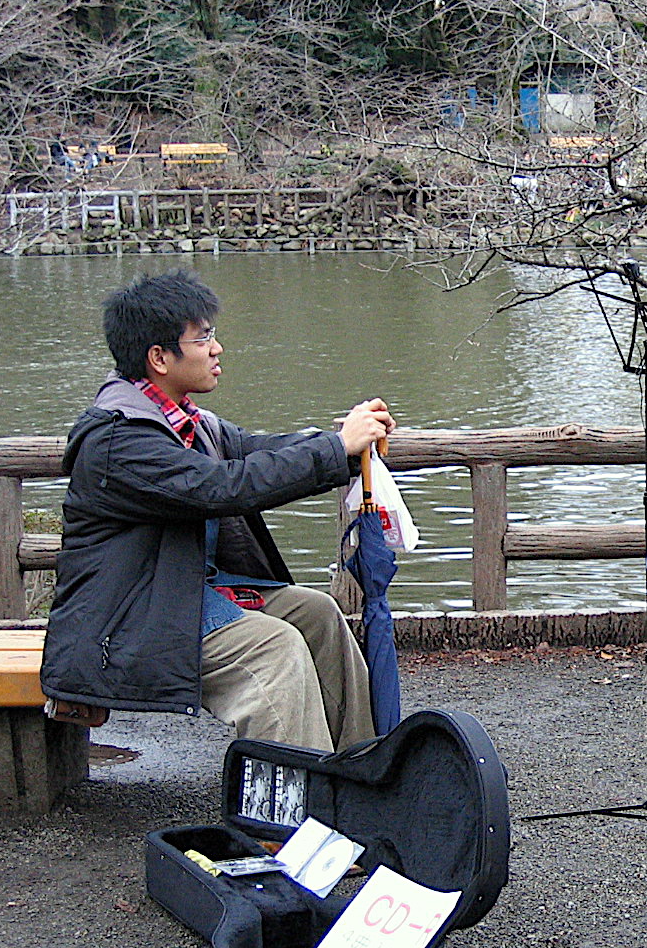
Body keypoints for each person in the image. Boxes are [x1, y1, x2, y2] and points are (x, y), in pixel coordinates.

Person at [41, 270, 395, 752]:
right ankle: (284, 813)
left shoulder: (186, 418)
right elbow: (222, 486)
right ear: (159, 358)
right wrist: (335, 448)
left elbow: (254, 450)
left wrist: (346, 444)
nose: (216, 348)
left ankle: (361, 770)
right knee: (273, 647)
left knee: (317, 613)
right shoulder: (117, 439)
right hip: (130, 619)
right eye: (202, 337)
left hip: (182, 594)